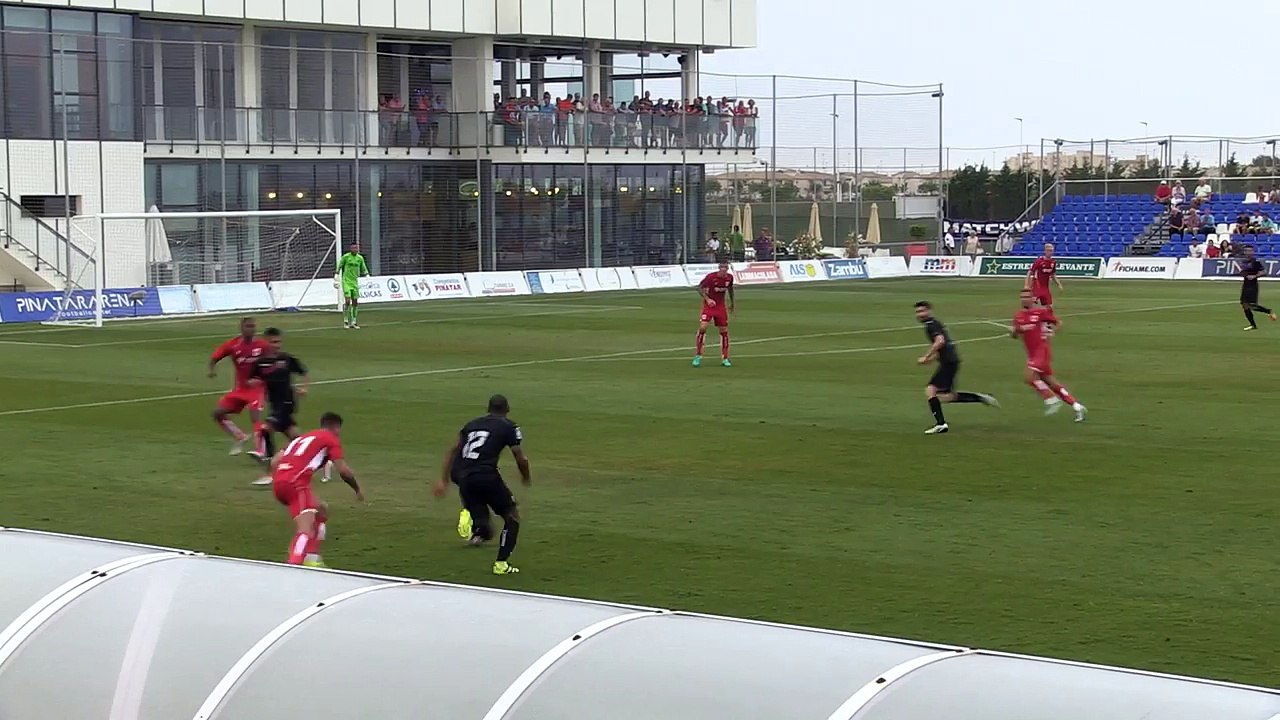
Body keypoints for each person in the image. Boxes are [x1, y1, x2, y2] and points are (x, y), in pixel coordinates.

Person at [433, 394, 532, 576]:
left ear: (488, 409)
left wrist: (443, 480)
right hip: (485, 475)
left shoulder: (471, 424)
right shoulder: (509, 426)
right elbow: (520, 457)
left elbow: (453, 449)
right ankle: (501, 564)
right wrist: (526, 477)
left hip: (463, 477)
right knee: (512, 516)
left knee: (486, 529)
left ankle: (471, 518)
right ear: (507, 410)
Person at [270, 412, 364, 567]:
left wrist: (281, 480)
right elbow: (343, 470)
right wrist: (357, 489)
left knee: (321, 510)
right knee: (305, 527)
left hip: (280, 482)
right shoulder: (330, 439)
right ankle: (294, 564)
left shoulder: (301, 439)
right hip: (296, 484)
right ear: (336, 428)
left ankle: (312, 558)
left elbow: (275, 461)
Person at [914, 301, 997, 435]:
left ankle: (941, 424)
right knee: (947, 397)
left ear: (929, 311)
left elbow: (940, 341)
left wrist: (926, 356)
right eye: (918, 312)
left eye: (922, 311)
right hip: (951, 361)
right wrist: (932, 359)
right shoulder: (935, 323)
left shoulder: (931, 325)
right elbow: (944, 345)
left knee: (931, 391)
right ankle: (981, 397)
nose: (920, 314)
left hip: (948, 362)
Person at [248, 327, 317, 485]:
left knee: (265, 430)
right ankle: (321, 457)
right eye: (273, 342)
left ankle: (269, 471)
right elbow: (252, 380)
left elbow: (303, 372)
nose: (276, 345)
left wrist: (304, 388)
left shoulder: (286, 359)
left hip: (287, 402)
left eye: (278, 342)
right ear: (265, 342)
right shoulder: (260, 363)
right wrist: (256, 384)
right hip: (275, 404)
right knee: (295, 438)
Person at [1011, 289, 1086, 422]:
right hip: (1032, 353)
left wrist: (1052, 332)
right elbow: (1014, 335)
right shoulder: (1018, 316)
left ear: (1033, 299)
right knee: (1051, 383)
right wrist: (1016, 331)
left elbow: (1058, 323)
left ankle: (1051, 399)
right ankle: (1077, 406)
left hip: (1042, 351)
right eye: (1022, 297)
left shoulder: (1040, 312)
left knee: (1029, 376)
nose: (1024, 299)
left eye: (1027, 297)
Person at [208, 317, 268, 457]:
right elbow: (215, 357)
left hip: (257, 389)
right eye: (248, 326)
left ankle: (261, 451)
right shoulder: (233, 345)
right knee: (217, 413)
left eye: (253, 326)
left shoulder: (262, 346)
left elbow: (274, 362)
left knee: (255, 416)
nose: (251, 329)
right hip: (240, 390)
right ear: (241, 328)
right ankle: (239, 436)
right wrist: (212, 370)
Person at [693, 261, 734, 368]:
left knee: (724, 331)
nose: (724, 269)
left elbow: (730, 289)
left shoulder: (729, 278)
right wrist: (707, 299)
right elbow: (699, 288)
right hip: (709, 306)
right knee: (703, 328)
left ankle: (725, 358)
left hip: (720, 307)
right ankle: (698, 355)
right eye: (722, 267)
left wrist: (732, 303)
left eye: (726, 267)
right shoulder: (711, 277)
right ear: (719, 268)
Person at [1238, 245, 1277, 331]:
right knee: (1244, 305)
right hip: (1245, 285)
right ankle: (1253, 325)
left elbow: (1264, 272)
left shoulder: (1255, 262)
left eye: (1250, 251)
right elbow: (1243, 272)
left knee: (1252, 305)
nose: (1248, 253)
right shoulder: (1244, 262)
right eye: (1247, 251)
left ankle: (1268, 311)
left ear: (1252, 252)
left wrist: (1254, 276)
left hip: (1253, 285)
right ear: (1244, 252)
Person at [335, 243, 370, 329]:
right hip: (346, 281)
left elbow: (363, 267)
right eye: (354, 248)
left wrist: (367, 275)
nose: (355, 249)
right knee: (347, 301)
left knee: (355, 302)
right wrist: (336, 274)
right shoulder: (346, 257)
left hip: (355, 282)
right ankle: (346, 320)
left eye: (356, 248)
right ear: (350, 248)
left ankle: (354, 321)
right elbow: (339, 265)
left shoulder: (360, 258)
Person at [1025, 243, 1063, 308]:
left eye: (1051, 250)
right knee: (1033, 307)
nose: (1050, 252)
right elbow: (1030, 272)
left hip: (1046, 288)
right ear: (1045, 251)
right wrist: (1026, 285)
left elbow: (1053, 275)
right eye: (1049, 250)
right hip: (1037, 287)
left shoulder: (1053, 262)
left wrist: (1059, 284)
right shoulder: (1039, 261)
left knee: (1049, 307)